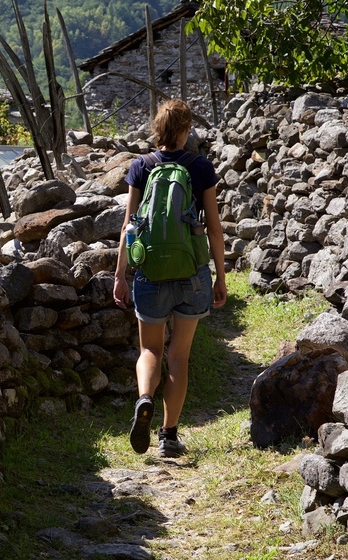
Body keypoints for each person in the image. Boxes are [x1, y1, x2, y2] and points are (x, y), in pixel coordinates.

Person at [113, 98, 227, 458]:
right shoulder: (200, 168)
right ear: (186, 130)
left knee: (150, 349)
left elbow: (128, 227)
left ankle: (144, 398)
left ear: (157, 129)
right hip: (191, 272)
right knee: (179, 357)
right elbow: (213, 228)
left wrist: (120, 274)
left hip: (149, 271)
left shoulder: (141, 167)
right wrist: (220, 275)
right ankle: (168, 435)